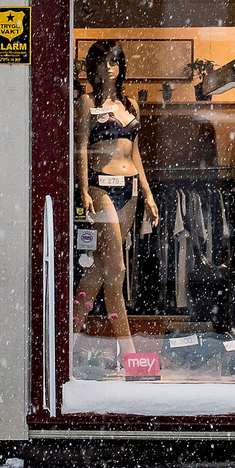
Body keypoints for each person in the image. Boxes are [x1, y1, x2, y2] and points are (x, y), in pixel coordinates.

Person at [73, 40, 158, 355]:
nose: (108, 67)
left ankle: (69, 335)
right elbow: (81, 147)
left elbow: (135, 154)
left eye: (114, 61)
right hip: (100, 188)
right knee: (117, 270)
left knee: (100, 268)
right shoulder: (86, 102)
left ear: (121, 66)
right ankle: (130, 351)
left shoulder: (132, 105)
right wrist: (83, 189)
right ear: (93, 66)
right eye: (102, 61)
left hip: (130, 189)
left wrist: (148, 195)